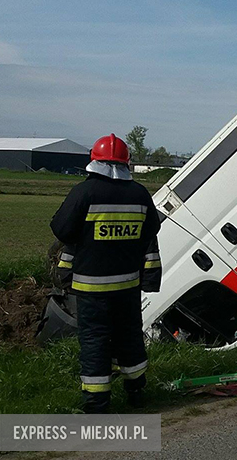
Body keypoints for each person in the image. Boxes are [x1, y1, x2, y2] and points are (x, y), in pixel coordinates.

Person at [50, 134, 161, 413]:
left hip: (91, 289)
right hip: (127, 287)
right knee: (130, 338)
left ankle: (97, 404)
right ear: (126, 163)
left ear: (94, 161)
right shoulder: (140, 194)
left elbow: (61, 230)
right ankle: (136, 392)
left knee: (95, 342)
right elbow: (151, 231)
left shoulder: (84, 192)